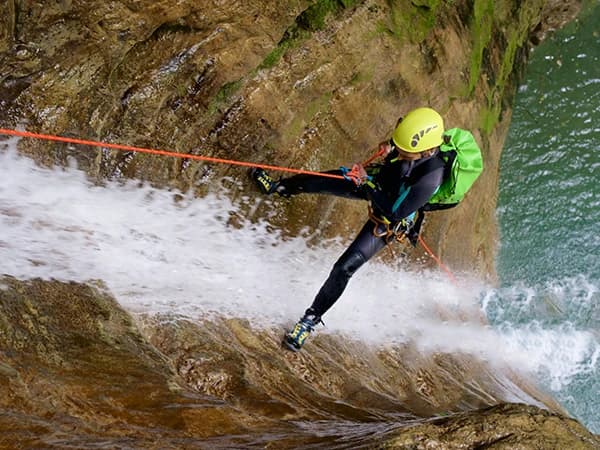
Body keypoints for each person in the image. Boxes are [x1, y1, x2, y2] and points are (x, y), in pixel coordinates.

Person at [250, 107, 448, 352]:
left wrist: (366, 183)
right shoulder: (413, 140)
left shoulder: (431, 178)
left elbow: (393, 212)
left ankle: (309, 321)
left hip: (387, 218)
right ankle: (280, 188)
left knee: (343, 268)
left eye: (405, 150)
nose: (401, 150)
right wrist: (389, 149)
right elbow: (400, 152)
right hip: (377, 183)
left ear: (427, 151)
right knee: (318, 179)